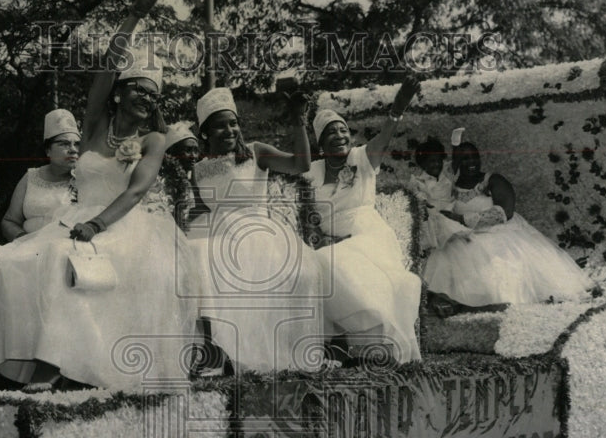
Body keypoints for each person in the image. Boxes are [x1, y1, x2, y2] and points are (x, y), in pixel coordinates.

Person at [0, 0, 201, 390]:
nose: (146, 98)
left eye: (154, 95)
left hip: (124, 225)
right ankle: (35, 358)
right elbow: (108, 65)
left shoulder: (154, 139)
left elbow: (138, 190)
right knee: (12, 263)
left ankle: (60, 364)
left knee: (64, 261)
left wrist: (97, 225)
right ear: (120, 93)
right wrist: (135, 15)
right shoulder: (91, 126)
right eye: (139, 89)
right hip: (76, 217)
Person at [189, 86, 325, 374]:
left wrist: (298, 122)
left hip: (259, 235)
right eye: (220, 126)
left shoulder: (255, 152)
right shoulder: (198, 169)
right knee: (197, 258)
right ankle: (215, 353)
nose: (229, 130)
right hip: (219, 236)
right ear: (205, 133)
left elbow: (300, 164)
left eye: (233, 123)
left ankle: (264, 356)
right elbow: (200, 211)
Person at [304, 77, 422, 364]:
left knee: (334, 263)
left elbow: (386, 134)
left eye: (343, 130)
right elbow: (308, 217)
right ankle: (342, 345)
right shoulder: (311, 172)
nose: (340, 136)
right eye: (331, 132)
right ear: (320, 143)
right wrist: (323, 237)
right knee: (319, 262)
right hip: (332, 242)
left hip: (368, 236)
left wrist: (398, 107)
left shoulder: (362, 158)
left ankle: (377, 343)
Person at [423, 139, 592, 316]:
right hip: (465, 236)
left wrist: (461, 218)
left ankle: (480, 303)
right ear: (455, 162)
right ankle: (453, 301)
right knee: (446, 255)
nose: (471, 162)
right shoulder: (450, 187)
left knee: (496, 263)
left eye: (474, 157)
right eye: (464, 159)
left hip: (499, 232)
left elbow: (505, 212)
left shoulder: (492, 180)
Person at [0, 109, 79, 242]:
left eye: (77, 144)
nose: (73, 150)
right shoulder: (31, 177)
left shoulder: (83, 180)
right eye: (64, 144)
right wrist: (25, 242)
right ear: (48, 150)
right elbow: (9, 221)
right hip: (27, 249)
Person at [408, 131, 472, 249]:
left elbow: (456, 159)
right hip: (433, 217)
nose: (437, 164)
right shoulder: (418, 180)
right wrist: (422, 202)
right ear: (422, 164)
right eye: (432, 161)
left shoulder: (447, 174)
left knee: (460, 243)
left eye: (439, 161)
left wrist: (455, 142)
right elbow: (415, 196)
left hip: (449, 213)